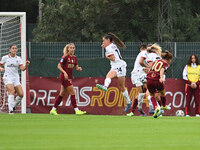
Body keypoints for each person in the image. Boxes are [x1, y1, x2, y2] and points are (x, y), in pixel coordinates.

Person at [96, 32, 132, 111]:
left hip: (118, 66)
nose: (103, 42)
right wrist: (105, 47)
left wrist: (106, 56)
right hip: (117, 65)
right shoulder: (112, 45)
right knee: (118, 84)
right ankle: (128, 102)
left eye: (104, 40)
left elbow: (112, 58)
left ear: (108, 40)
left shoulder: (108, 48)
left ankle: (129, 102)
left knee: (121, 86)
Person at [50, 43, 86, 115]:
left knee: (62, 94)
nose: (72, 49)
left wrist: (79, 68)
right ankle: (77, 110)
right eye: (71, 48)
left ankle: (53, 110)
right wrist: (64, 73)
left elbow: (76, 67)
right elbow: (59, 66)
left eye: (73, 48)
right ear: (68, 49)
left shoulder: (74, 58)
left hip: (69, 77)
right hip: (64, 77)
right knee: (72, 92)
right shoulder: (65, 57)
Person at [0, 44, 30, 114]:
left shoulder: (18, 59)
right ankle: (11, 111)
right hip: (7, 77)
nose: (14, 49)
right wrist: (1, 68)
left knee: (21, 94)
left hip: (16, 78)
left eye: (15, 48)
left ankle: (13, 105)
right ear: (10, 50)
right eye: (13, 48)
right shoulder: (5, 58)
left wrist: (26, 65)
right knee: (12, 92)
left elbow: (22, 69)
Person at [146, 50, 173, 118]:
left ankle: (156, 107)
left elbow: (151, 69)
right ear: (169, 59)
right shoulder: (166, 63)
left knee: (152, 95)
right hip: (157, 79)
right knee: (163, 93)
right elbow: (162, 69)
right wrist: (161, 77)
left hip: (149, 79)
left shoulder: (156, 61)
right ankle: (163, 106)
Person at [127, 44, 150, 116]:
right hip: (138, 74)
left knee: (144, 91)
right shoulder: (144, 53)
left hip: (141, 74)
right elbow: (141, 62)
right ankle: (138, 110)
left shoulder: (146, 55)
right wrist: (148, 67)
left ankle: (135, 111)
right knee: (142, 92)